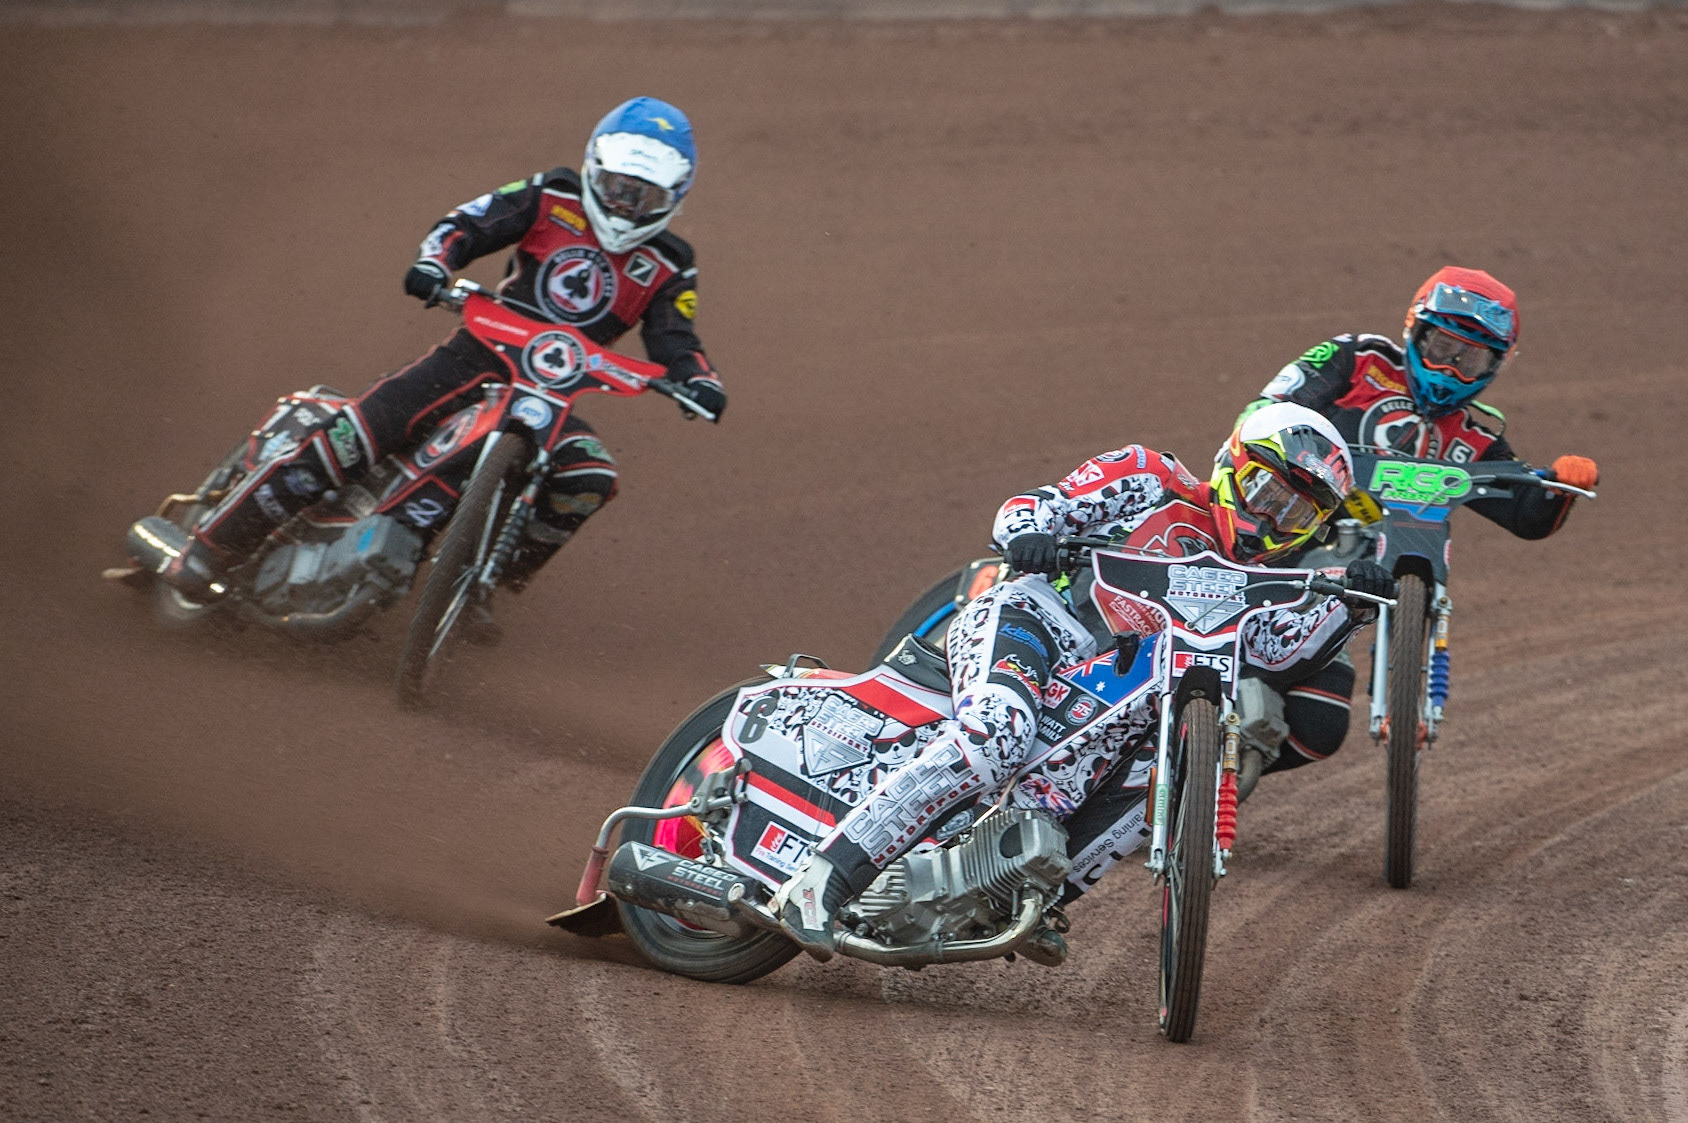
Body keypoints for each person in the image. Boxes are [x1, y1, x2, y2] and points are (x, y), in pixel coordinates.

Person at [769, 402, 1397, 960]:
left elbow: (1283, 653)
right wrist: (1034, 533)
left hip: (1121, 698)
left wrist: (1352, 604)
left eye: (1294, 513)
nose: (1270, 518)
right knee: (999, 736)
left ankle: (1029, 896)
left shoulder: (1264, 585)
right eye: (1264, 491)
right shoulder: (1153, 477)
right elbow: (1035, 505)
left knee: (1163, 771)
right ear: (1232, 466)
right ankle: (822, 880)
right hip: (1036, 619)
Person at [159, 96, 725, 610]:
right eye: (619, 187)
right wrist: (435, 264)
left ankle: (479, 582)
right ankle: (211, 549)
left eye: (644, 196)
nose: (626, 207)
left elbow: (677, 337)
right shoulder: (551, 195)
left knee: (589, 478)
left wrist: (698, 380)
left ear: (673, 198)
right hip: (471, 357)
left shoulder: (673, 262)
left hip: (551, 395)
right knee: (354, 436)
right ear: (594, 169)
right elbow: (467, 225)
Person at [1229, 266, 1599, 783]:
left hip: (1349, 589)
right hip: (1273, 544)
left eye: (1470, 359)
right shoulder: (1356, 359)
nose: (1450, 367)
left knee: (1320, 728)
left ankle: (1207, 790)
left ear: (1495, 366)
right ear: (1415, 332)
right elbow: (1267, 409)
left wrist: (1559, 489)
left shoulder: (1475, 436)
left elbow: (1524, 517)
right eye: (1443, 347)